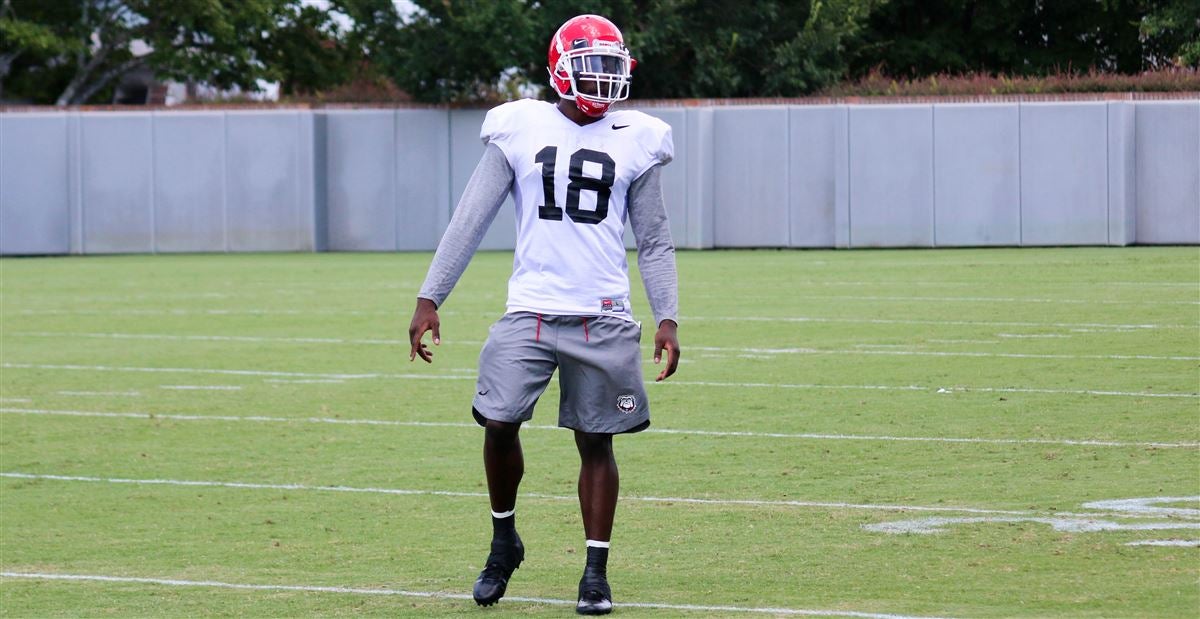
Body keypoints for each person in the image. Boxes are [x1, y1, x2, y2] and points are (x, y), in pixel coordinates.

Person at [408, 13, 679, 615]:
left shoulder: (638, 136)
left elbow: (655, 239)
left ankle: (595, 573)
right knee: (498, 422)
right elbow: (469, 218)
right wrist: (431, 297)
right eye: (593, 69)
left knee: (596, 441)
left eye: (612, 68)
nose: (604, 83)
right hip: (529, 309)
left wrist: (668, 315)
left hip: (603, 312)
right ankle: (505, 540)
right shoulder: (521, 127)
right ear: (559, 69)